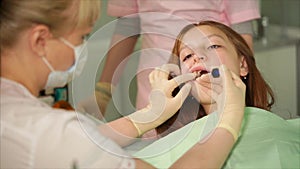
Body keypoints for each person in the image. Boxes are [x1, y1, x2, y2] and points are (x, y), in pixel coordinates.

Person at [1, 0, 247, 168]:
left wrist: (148, 116)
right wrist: (228, 122)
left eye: (213, 46)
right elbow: (69, 141)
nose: (197, 60)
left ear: (243, 64)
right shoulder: (49, 133)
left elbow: (87, 139)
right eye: (81, 37)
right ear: (40, 40)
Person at [96, 0, 261, 117]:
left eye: (213, 46)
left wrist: (247, 97)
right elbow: (127, 25)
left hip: (215, 92)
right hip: (155, 91)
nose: (195, 58)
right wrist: (102, 92)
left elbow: (242, 36)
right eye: (187, 55)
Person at [153, 20, 275, 138]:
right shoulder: (178, 143)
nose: (197, 56)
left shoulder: (275, 133)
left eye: (213, 46)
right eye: (187, 56)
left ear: (242, 65)